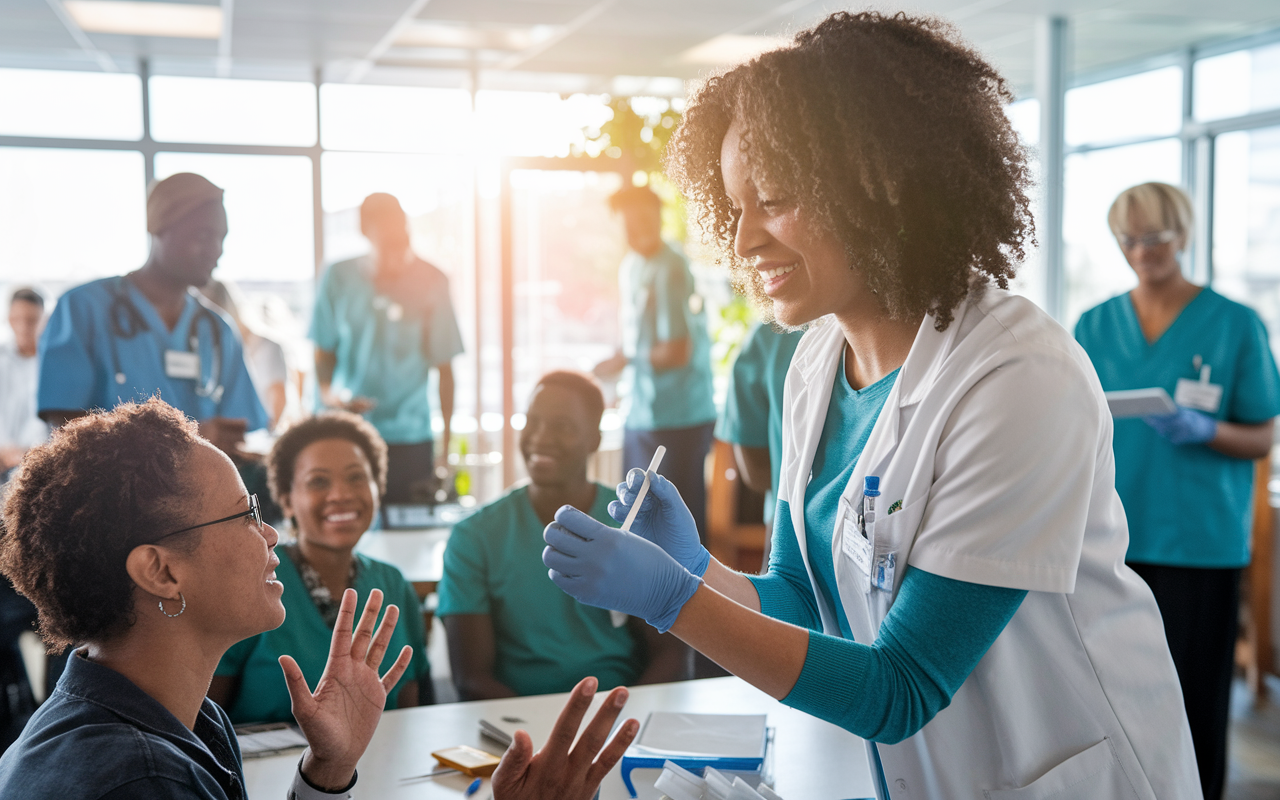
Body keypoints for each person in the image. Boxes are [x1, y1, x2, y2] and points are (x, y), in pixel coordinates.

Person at [542, 12, 1199, 800]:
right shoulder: (814, 362)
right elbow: (800, 601)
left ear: (883, 184)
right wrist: (700, 567)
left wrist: (672, 601)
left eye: (775, 200)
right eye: (734, 206)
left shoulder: (1020, 378)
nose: (744, 239)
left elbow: (900, 688)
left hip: (1071, 774)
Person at [0, 398, 639, 799]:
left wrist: (325, 772)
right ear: (162, 573)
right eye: (245, 516)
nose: (270, 532)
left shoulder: (185, 720)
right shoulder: (138, 779)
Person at [1074, 181, 1280, 800]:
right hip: (1111, 539)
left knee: (1194, 701)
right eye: (1127, 239)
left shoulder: (1234, 324)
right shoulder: (1095, 322)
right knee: (1111, 697)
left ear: (1183, 235)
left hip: (1197, 542)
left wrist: (1207, 429)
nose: (1141, 251)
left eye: (1155, 238)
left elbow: (1263, 434)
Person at [437, 371, 691, 700]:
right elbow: (471, 678)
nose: (541, 438)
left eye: (563, 426)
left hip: (617, 715)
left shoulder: (633, 525)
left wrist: (622, 720)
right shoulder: (474, 537)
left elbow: (671, 655)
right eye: (532, 421)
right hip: (517, 726)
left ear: (595, 440)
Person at [210, 411, 432, 723]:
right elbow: (203, 724)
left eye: (356, 477)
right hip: (268, 771)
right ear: (287, 501)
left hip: (379, 765)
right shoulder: (249, 583)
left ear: (378, 488)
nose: (341, 494)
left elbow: (408, 711)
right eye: (319, 481)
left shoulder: (392, 583)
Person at [36, 172, 268, 458]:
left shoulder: (218, 330)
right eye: (204, 235)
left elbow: (239, 432)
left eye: (221, 238)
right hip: (108, 499)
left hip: (199, 499)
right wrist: (186, 440)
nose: (216, 251)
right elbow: (66, 434)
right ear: (158, 225)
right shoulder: (82, 309)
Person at [310, 193, 464, 507]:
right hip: (347, 432)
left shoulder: (432, 280)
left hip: (409, 439)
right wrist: (331, 397)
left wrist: (444, 454)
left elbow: (445, 370)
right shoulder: (339, 276)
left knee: (409, 536)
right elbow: (323, 351)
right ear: (365, 231)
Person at [594, 186, 716, 543]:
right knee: (636, 524)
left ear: (659, 219)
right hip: (641, 416)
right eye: (628, 225)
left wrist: (626, 360)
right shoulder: (630, 266)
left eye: (644, 221)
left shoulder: (673, 266)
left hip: (678, 419)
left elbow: (676, 351)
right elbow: (635, 338)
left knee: (677, 535)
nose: (637, 232)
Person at [715, 319, 803, 544]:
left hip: (788, 523)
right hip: (790, 527)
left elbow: (755, 471)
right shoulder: (770, 334)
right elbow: (753, 469)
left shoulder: (771, 334)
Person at [201, 279, 289, 430]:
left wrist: (267, 432)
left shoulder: (267, 346)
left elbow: (278, 394)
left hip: (259, 432)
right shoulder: (213, 349)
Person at [1, 288, 48, 481]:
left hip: (36, 462)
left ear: (43, 321)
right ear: (9, 318)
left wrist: (28, 452)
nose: (23, 327)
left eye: (31, 320)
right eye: (17, 319)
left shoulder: (51, 364)